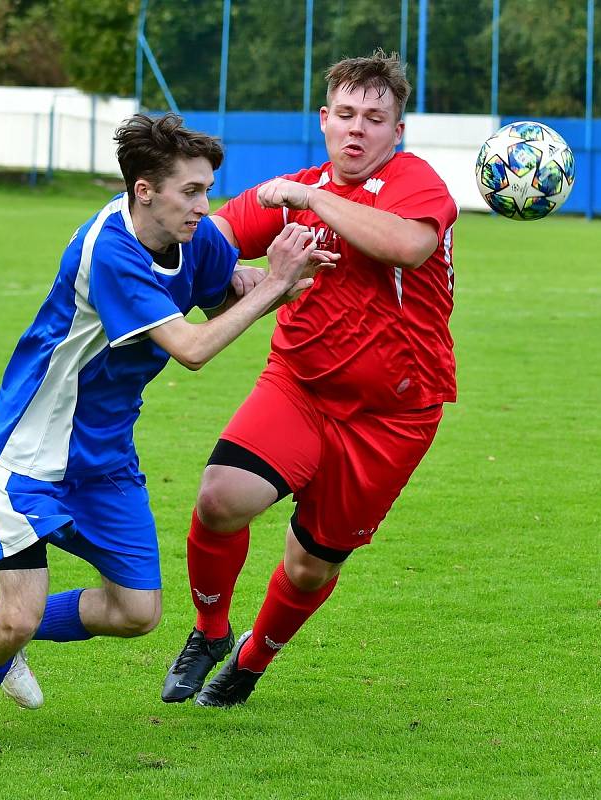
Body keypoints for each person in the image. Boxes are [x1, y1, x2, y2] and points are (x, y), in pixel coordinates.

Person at [0, 112, 334, 752]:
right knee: (22, 614)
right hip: (31, 453)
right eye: (192, 191)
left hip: (105, 456)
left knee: (137, 612)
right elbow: (192, 348)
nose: (205, 206)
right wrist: (277, 286)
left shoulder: (194, 236)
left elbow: (221, 299)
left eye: (209, 189)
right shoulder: (112, 252)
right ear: (144, 190)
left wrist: (286, 278)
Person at [162, 50, 458, 707]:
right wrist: (217, 274)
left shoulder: (413, 183)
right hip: (298, 388)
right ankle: (211, 631)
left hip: (393, 417)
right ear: (324, 119)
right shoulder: (294, 190)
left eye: (374, 118)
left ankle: (252, 659)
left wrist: (312, 198)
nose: (357, 128)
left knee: (308, 565)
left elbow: (407, 245)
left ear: (396, 132)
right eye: (346, 114)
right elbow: (204, 243)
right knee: (219, 498)